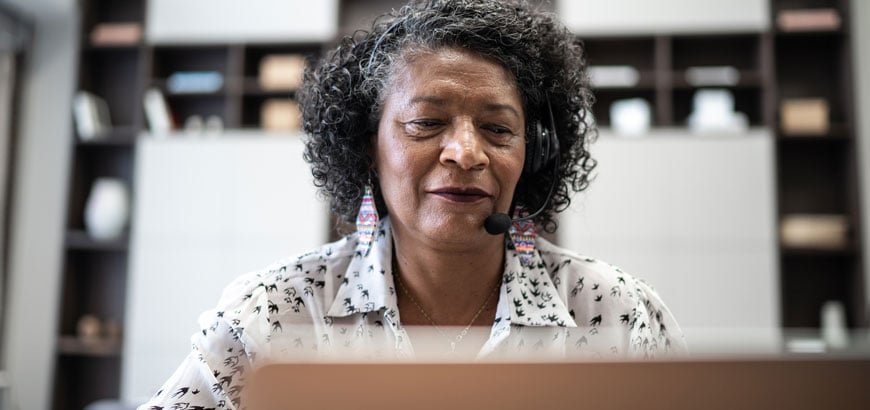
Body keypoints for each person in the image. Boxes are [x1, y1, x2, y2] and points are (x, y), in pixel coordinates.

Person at [140, 0, 686, 408]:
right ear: (366, 146)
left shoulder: (616, 315)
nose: (466, 153)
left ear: (535, 153)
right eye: (426, 123)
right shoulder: (272, 314)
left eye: (498, 129)